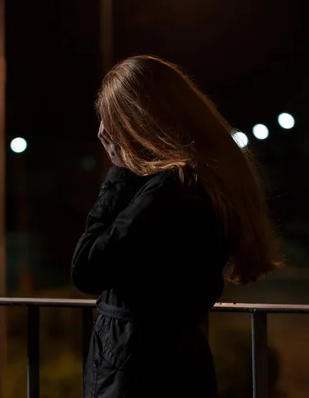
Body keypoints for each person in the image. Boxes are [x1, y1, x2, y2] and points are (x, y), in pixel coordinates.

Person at [71, 55, 281, 397]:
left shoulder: (171, 190)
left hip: (136, 368)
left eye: (112, 122)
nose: (103, 133)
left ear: (138, 121)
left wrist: (119, 172)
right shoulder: (207, 182)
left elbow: (86, 268)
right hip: (180, 363)